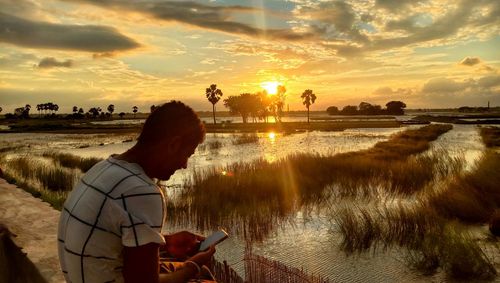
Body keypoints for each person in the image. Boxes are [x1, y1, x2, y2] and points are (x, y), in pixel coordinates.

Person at [58, 101, 215, 283]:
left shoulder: (102, 168)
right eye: (187, 154)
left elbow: (112, 240)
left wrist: (167, 242)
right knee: (203, 275)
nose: (184, 164)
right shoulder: (142, 192)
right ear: (174, 144)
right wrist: (192, 266)